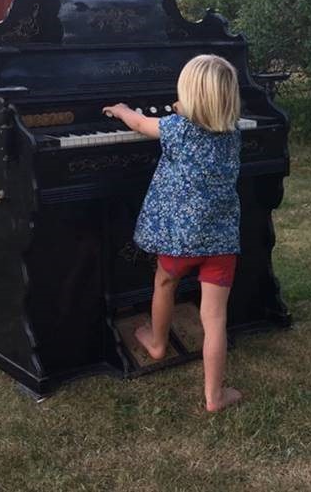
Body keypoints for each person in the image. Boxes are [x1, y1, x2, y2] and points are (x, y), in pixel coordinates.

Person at [103, 54, 243, 413]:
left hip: (181, 241)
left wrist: (121, 109)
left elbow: (138, 123)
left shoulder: (176, 128)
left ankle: (156, 343)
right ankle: (214, 396)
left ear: (188, 96)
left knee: (164, 283)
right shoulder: (233, 132)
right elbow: (205, 115)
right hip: (222, 240)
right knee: (215, 321)